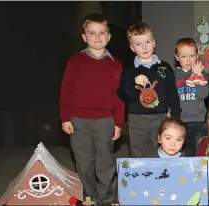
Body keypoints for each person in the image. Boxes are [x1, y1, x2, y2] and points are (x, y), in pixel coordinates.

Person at [59, 13, 124, 204]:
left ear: (109, 36)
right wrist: (65, 118)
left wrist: (118, 122)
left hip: (105, 120)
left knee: (105, 162)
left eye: (102, 32)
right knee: (84, 162)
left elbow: (119, 96)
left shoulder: (115, 64)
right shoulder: (76, 61)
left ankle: (107, 198)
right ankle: (89, 195)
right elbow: (66, 90)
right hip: (79, 120)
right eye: (92, 33)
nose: (97, 37)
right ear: (84, 37)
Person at [117, 22, 181, 158]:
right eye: (139, 44)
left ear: (154, 43)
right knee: (137, 152)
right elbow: (122, 94)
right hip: (136, 118)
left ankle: (159, 177)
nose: (144, 47)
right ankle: (139, 178)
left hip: (160, 117)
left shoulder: (165, 67)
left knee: (160, 152)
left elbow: (172, 93)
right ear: (132, 48)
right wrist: (133, 82)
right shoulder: (129, 71)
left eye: (147, 42)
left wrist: (175, 115)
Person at [173, 37, 209, 156]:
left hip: (198, 120)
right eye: (183, 56)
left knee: (199, 154)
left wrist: (197, 75)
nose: (188, 60)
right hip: (180, 121)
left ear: (197, 55)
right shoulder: (173, 75)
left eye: (191, 56)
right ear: (177, 57)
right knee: (182, 154)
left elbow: (203, 94)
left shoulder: (201, 74)